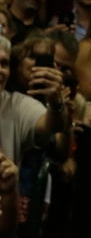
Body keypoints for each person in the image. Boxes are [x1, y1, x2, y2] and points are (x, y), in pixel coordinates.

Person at [0, 35, 66, 166]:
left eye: (4, 64)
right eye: (32, 56)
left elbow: (52, 126)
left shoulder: (16, 104)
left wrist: (56, 102)